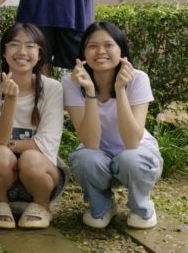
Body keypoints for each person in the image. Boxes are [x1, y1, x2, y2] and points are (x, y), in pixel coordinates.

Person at [63, 22, 162, 229]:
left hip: (137, 154)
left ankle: (141, 208)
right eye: (92, 46)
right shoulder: (72, 82)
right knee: (84, 158)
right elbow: (90, 142)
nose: (100, 52)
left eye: (109, 45)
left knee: (130, 159)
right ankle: (102, 206)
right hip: (98, 155)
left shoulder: (138, 79)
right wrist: (89, 91)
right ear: (83, 53)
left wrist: (121, 89)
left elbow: (132, 141)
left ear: (121, 51)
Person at [0, 23, 66, 230]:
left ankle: (41, 205)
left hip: (41, 178)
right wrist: (11, 101)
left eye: (30, 46)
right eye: (14, 44)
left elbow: (45, 143)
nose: (22, 52)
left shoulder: (52, 88)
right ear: (4, 52)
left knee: (29, 158)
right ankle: (0, 203)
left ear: (40, 54)